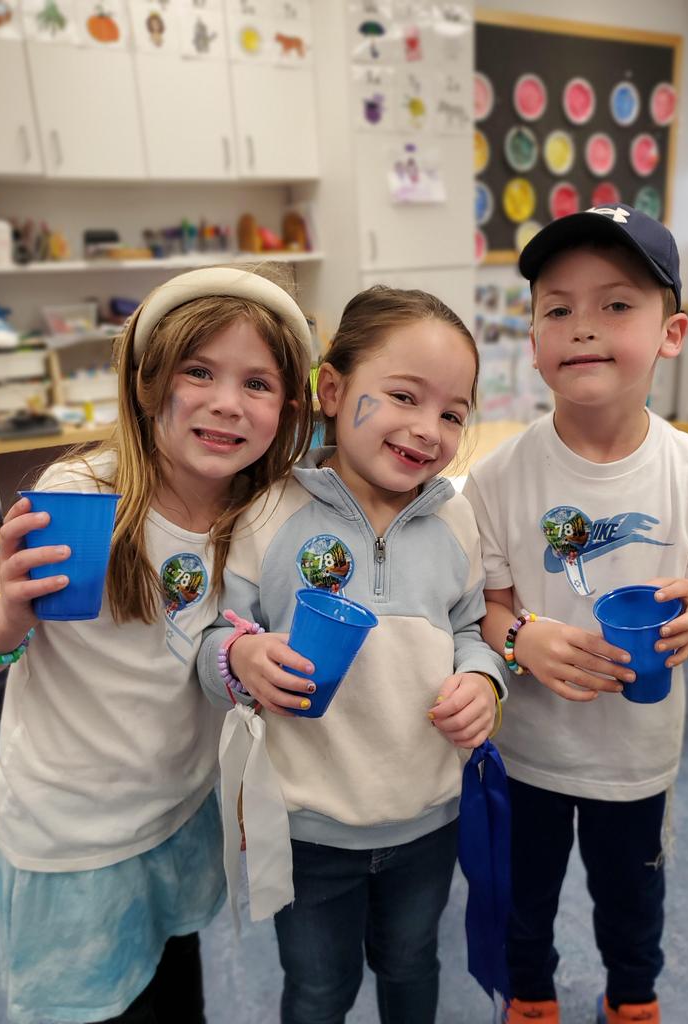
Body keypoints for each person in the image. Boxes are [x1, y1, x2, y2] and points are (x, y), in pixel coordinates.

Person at [0, 266, 313, 1024]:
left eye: (257, 383)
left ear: (288, 407)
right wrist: (6, 619)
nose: (227, 402)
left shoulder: (262, 514)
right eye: (200, 371)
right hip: (71, 835)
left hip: (179, 813)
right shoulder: (82, 492)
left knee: (172, 991)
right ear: (148, 381)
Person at [198, 285, 509, 1024]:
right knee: (317, 990)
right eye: (403, 396)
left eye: (453, 413)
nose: (428, 428)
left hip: (428, 818)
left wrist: (483, 679)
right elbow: (214, 639)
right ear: (333, 391)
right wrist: (241, 659)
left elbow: (471, 628)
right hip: (306, 827)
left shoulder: (457, 519)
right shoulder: (267, 513)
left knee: (413, 965)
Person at [462, 206, 688, 1024]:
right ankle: (530, 997)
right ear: (534, 339)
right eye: (558, 308)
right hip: (528, 751)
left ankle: (632, 998)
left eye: (616, 304)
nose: (583, 326)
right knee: (523, 896)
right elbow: (487, 613)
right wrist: (523, 637)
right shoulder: (498, 476)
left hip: (638, 755)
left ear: (671, 332)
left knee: (633, 900)